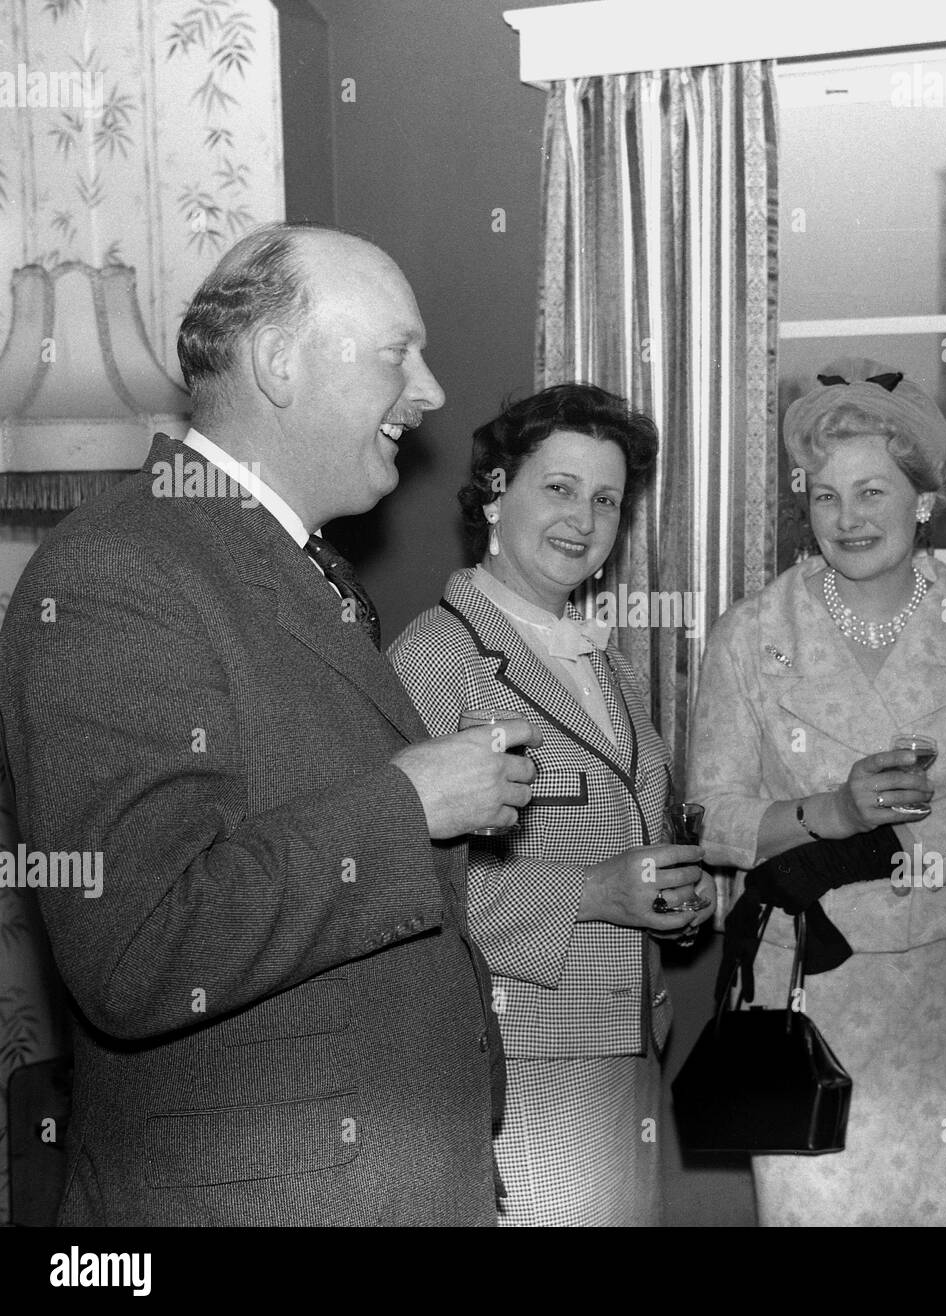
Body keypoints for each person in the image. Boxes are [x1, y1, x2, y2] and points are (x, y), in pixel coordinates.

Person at [0, 222, 541, 1226]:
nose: (427, 392)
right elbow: (139, 942)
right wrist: (408, 801)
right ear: (277, 361)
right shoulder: (119, 571)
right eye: (397, 353)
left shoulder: (279, 559)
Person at [688, 365, 946, 1226]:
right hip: (808, 984)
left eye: (873, 491)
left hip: (942, 985)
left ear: (924, 502)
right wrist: (832, 814)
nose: (849, 519)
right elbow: (711, 817)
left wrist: (847, 858)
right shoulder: (751, 635)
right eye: (828, 496)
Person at [389, 383, 712, 1226]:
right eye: (559, 488)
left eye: (606, 500)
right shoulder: (438, 655)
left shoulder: (593, 660)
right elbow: (396, 886)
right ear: (496, 494)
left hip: (628, 1044)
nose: (584, 518)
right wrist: (593, 892)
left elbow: (627, 836)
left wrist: (674, 898)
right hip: (514, 1052)